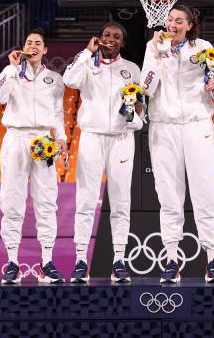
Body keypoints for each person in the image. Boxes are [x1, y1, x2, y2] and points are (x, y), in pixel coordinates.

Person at [141, 5, 214, 283]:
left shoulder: (203, 47)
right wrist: (155, 53)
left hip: (197, 125)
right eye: (169, 20)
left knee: (203, 192)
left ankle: (212, 259)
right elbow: (147, 88)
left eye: (179, 20)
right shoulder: (154, 47)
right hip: (163, 127)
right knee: (168, 196)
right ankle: (171, 259)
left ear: (189, 25)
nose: (173, 24)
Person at [63, 22, 143, 283]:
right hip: (92, 138)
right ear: (98, 38)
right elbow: (69, 80)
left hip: (122, 139)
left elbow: (142, 108)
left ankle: (119, 260)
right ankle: (80, 260)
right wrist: (87, 54)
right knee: (86, 201)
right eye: (107, 35)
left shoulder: (132, 69)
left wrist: (134, 119)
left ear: (122, 42)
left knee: (121, 202)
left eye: (116, 36)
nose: (111, 39)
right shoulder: (86, 65)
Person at [0, 27, 68, 284]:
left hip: (43, 141)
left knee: (47, 201)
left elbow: (58, 113)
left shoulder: (55, 79)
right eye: (29, 42)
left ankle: (46, 262)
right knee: (12, 200)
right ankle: (12, 262)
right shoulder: (12, 73)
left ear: (45, 50)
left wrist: (62, 139)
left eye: (38, 42)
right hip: (15, 137)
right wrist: (11, 69)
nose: (33, 45)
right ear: (24, 48)